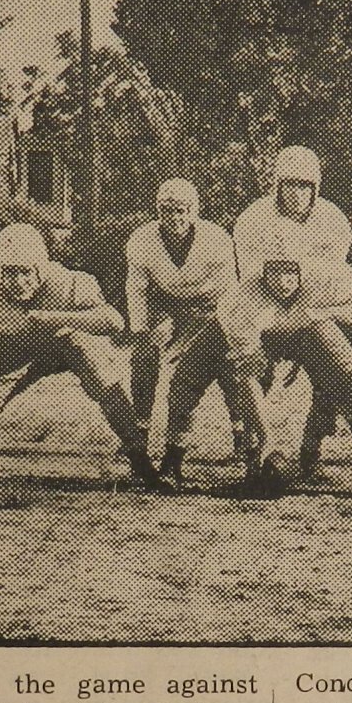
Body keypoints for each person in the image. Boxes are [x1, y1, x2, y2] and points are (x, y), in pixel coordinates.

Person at [218, 145, 352, 496]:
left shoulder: (332, 221)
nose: (297, 193)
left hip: (311, 313)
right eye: (290, 184)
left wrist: (325, 312)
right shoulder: (253, 220)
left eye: (304, 185)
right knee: (251, 376)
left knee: (346, 379)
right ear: (277, 185)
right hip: (264, 313)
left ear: (315, 187)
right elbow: (256, 282)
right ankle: (258, 459)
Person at [0, 224, 164, 488]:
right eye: (10, 273)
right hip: (22, 351)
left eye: (25, 272)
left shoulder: (66, 283)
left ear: (40, 269)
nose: (19, 282)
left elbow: (114, 321)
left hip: (69, 342)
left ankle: (139, 459)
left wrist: (54, 318)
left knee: (100, 373)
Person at [122, 179, 243, 482]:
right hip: (165, 303)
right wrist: (141, 330)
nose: (175, 218)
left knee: (226, 359)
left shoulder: (217, 239)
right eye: (167, 211)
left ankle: (242, 432)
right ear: (158, 211)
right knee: (142, 357)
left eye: (182, 211)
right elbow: (137, 289)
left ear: (194, 211)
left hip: (209, 305)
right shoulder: (141, 240)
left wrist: (226, 327)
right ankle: (141, 431)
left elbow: (230, 289)